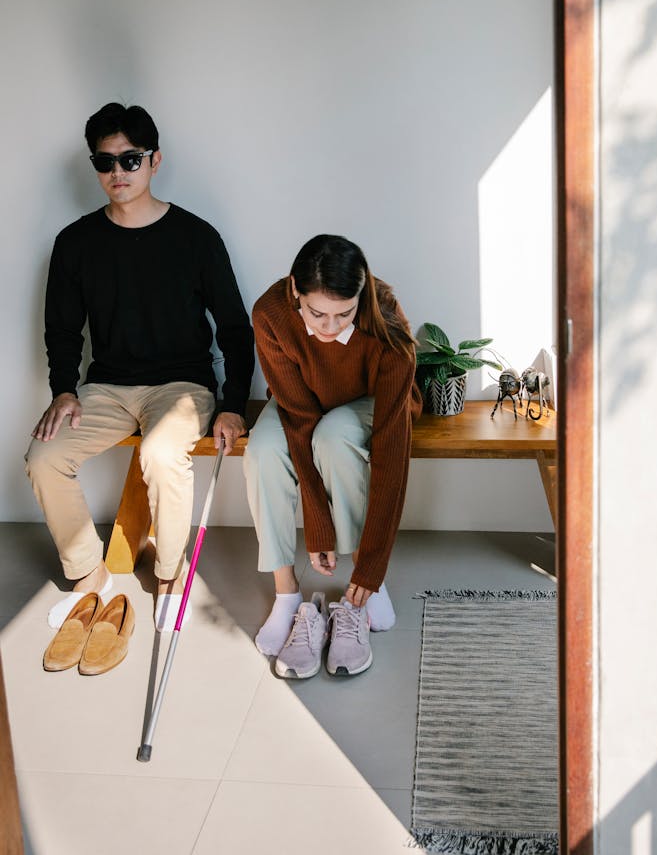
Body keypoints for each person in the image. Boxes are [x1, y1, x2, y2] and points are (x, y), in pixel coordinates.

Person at [26, 102, 253, 632]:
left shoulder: (196, 237)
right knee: (43, 456)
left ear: (155, 161)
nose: (118, 173)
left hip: (182, 386)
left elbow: (235, 329)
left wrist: (233, 405)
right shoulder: (75, 242)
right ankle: (89, 577)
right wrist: (64, 390)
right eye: (105, 163)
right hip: (106, 387)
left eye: (131, 160)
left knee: (160, 453)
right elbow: (61, 329)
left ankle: (172, 577)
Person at [244, 234, 421, 677]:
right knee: (263, 448)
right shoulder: (270, 314)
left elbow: (391, 449)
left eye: (344, 313)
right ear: (294, 292)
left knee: (335, 436)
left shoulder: (387, 318)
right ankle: (286, 594)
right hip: (304, 401)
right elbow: (299, 417)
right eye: (316, 312)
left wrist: (374, 563)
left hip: (371, 404)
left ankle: (364, 584)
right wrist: (317, 526)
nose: (328, 326)